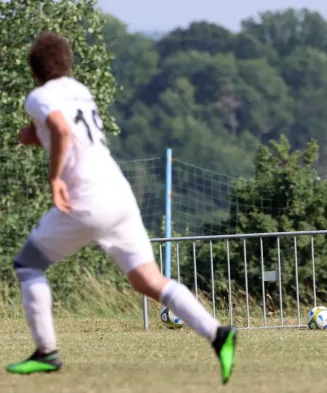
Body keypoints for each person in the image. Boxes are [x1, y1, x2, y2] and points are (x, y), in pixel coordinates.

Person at [5, 31, 238, 384]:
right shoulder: (79, 90)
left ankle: (46, 352)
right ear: (68, 64)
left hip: (86, 198)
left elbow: (61, 130)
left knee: (28, 265)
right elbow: (64, 129)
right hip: (119, 193)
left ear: (34, 71)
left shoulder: (37, 96)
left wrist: (55, 179)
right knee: (148, 280)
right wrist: (33, 135)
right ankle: (218, 333)